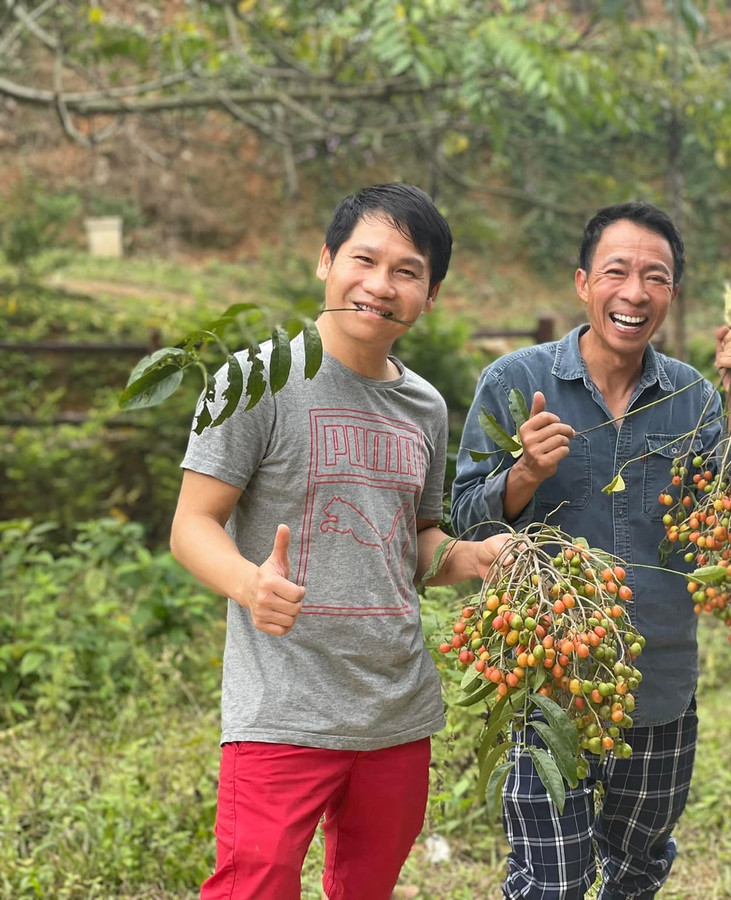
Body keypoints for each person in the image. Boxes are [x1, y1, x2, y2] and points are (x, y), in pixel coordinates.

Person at [171, 183, 509, 900]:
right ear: (325, 260)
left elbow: (412, 542)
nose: (380, 285)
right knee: (252, 887)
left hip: (396, 708)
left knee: (366, 888)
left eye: (407, 271)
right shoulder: (253, 382)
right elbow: (191, 524)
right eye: (365, 259)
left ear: (431, 294)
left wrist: (474, 558)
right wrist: (247, 584)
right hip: (282, 706)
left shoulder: (425, 405)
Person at [451, 200, 731, 900]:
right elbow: (465, 523)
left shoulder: (695, 397)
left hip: (654, 681)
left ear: (672, 296)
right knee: (551, 883)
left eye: (655, 277)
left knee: (637, 872)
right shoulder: (513, 382)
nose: (634, 292)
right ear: (582, 283)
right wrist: (525, 473)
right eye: (617, 271)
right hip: (544, 683)